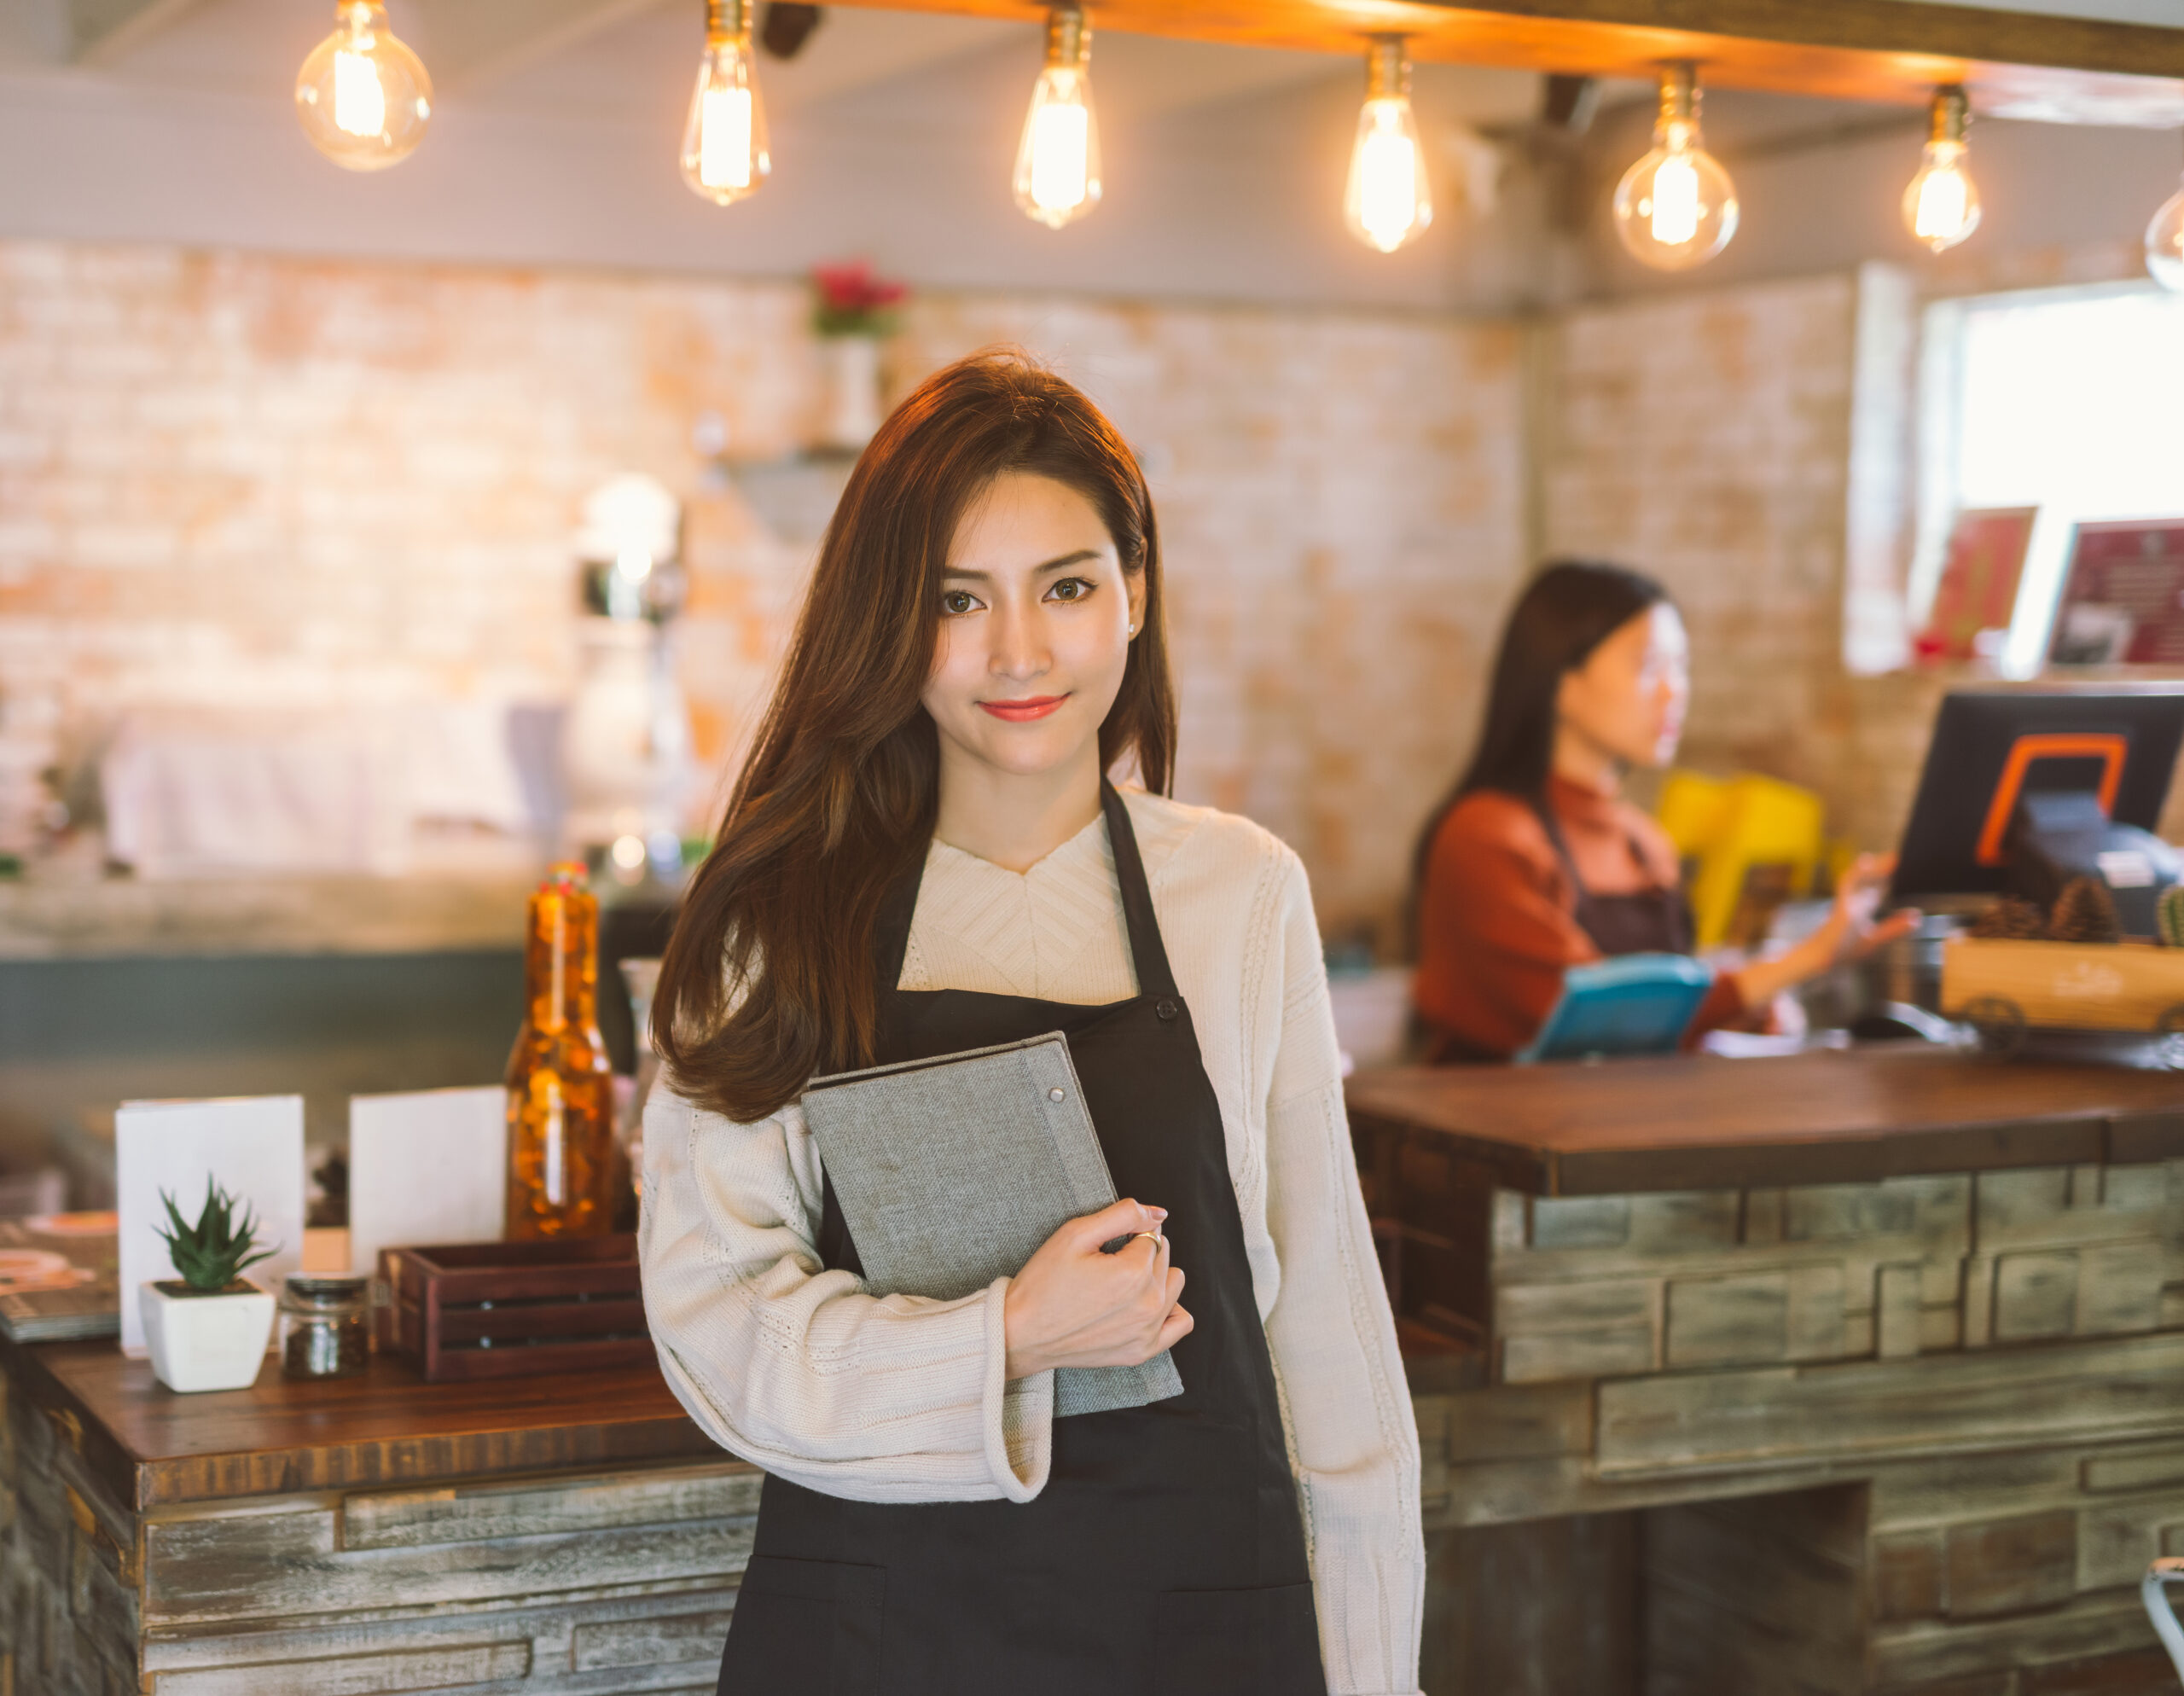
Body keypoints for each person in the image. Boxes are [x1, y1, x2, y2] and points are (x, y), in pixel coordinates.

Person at [641, 351, 1422, 1695]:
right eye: (959, 600)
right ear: (888, 620)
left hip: (1202, 1626)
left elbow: (1331, 1345)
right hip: (878, 1636)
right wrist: (1005, 1335)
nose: (1020, 652)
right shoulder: (779, 918)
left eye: (1066, 586)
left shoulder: (1239, 895)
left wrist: (1374, 1672)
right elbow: (717, 1331)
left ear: (1135, 595)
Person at [1411, 560, 1916, 1063]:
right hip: (1504, 1132)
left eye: (1681, 667)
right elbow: (1597, 1017)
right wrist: (1810, 957)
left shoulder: (1645, 843)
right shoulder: (1484, 836)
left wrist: (1756, 1011)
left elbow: (1673, 1022)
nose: (1675, 692)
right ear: (1561, 679)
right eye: (1649, 665)